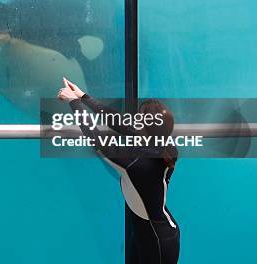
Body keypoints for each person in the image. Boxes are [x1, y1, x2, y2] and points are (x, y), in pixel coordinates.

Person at [57, 77, 180, 264]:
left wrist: (73, 102)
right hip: (145, 230)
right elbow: (119, 123)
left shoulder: (134, 163)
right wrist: (83, 96)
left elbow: (96, 137)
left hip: (157, 241)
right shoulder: (164, 145)